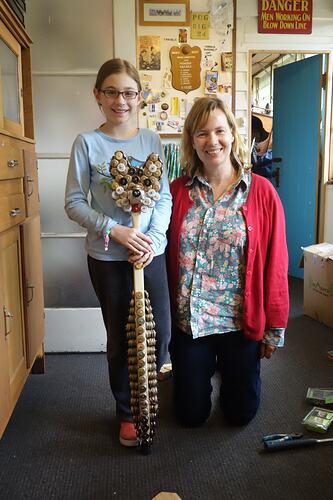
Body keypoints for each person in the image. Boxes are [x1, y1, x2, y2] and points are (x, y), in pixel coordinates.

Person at [65, 59, 172, 446]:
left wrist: (153, 240)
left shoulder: (152, 141)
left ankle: (153, 395)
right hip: (108, 258)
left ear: (140, 97)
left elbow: (162, 198)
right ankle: (126, 412)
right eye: (111, 91)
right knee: (122, 339)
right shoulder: (87, 144)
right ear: (98, 95)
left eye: (128, 92)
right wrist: (118, 230)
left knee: (160, 332)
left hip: (149, 255)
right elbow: (74, 203)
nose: (120, 100)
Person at [167, 96, 289, 427]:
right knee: (190, 416)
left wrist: (274, 328)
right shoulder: (176, 191)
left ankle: (231, 377)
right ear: (192, 140)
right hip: (190, 322)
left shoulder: (261, 192)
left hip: (240, 322)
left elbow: (277, 264)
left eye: (220, 131)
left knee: (240, 415)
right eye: (202, 133)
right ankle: (195, 374)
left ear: (233, 134)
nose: (212, 141)